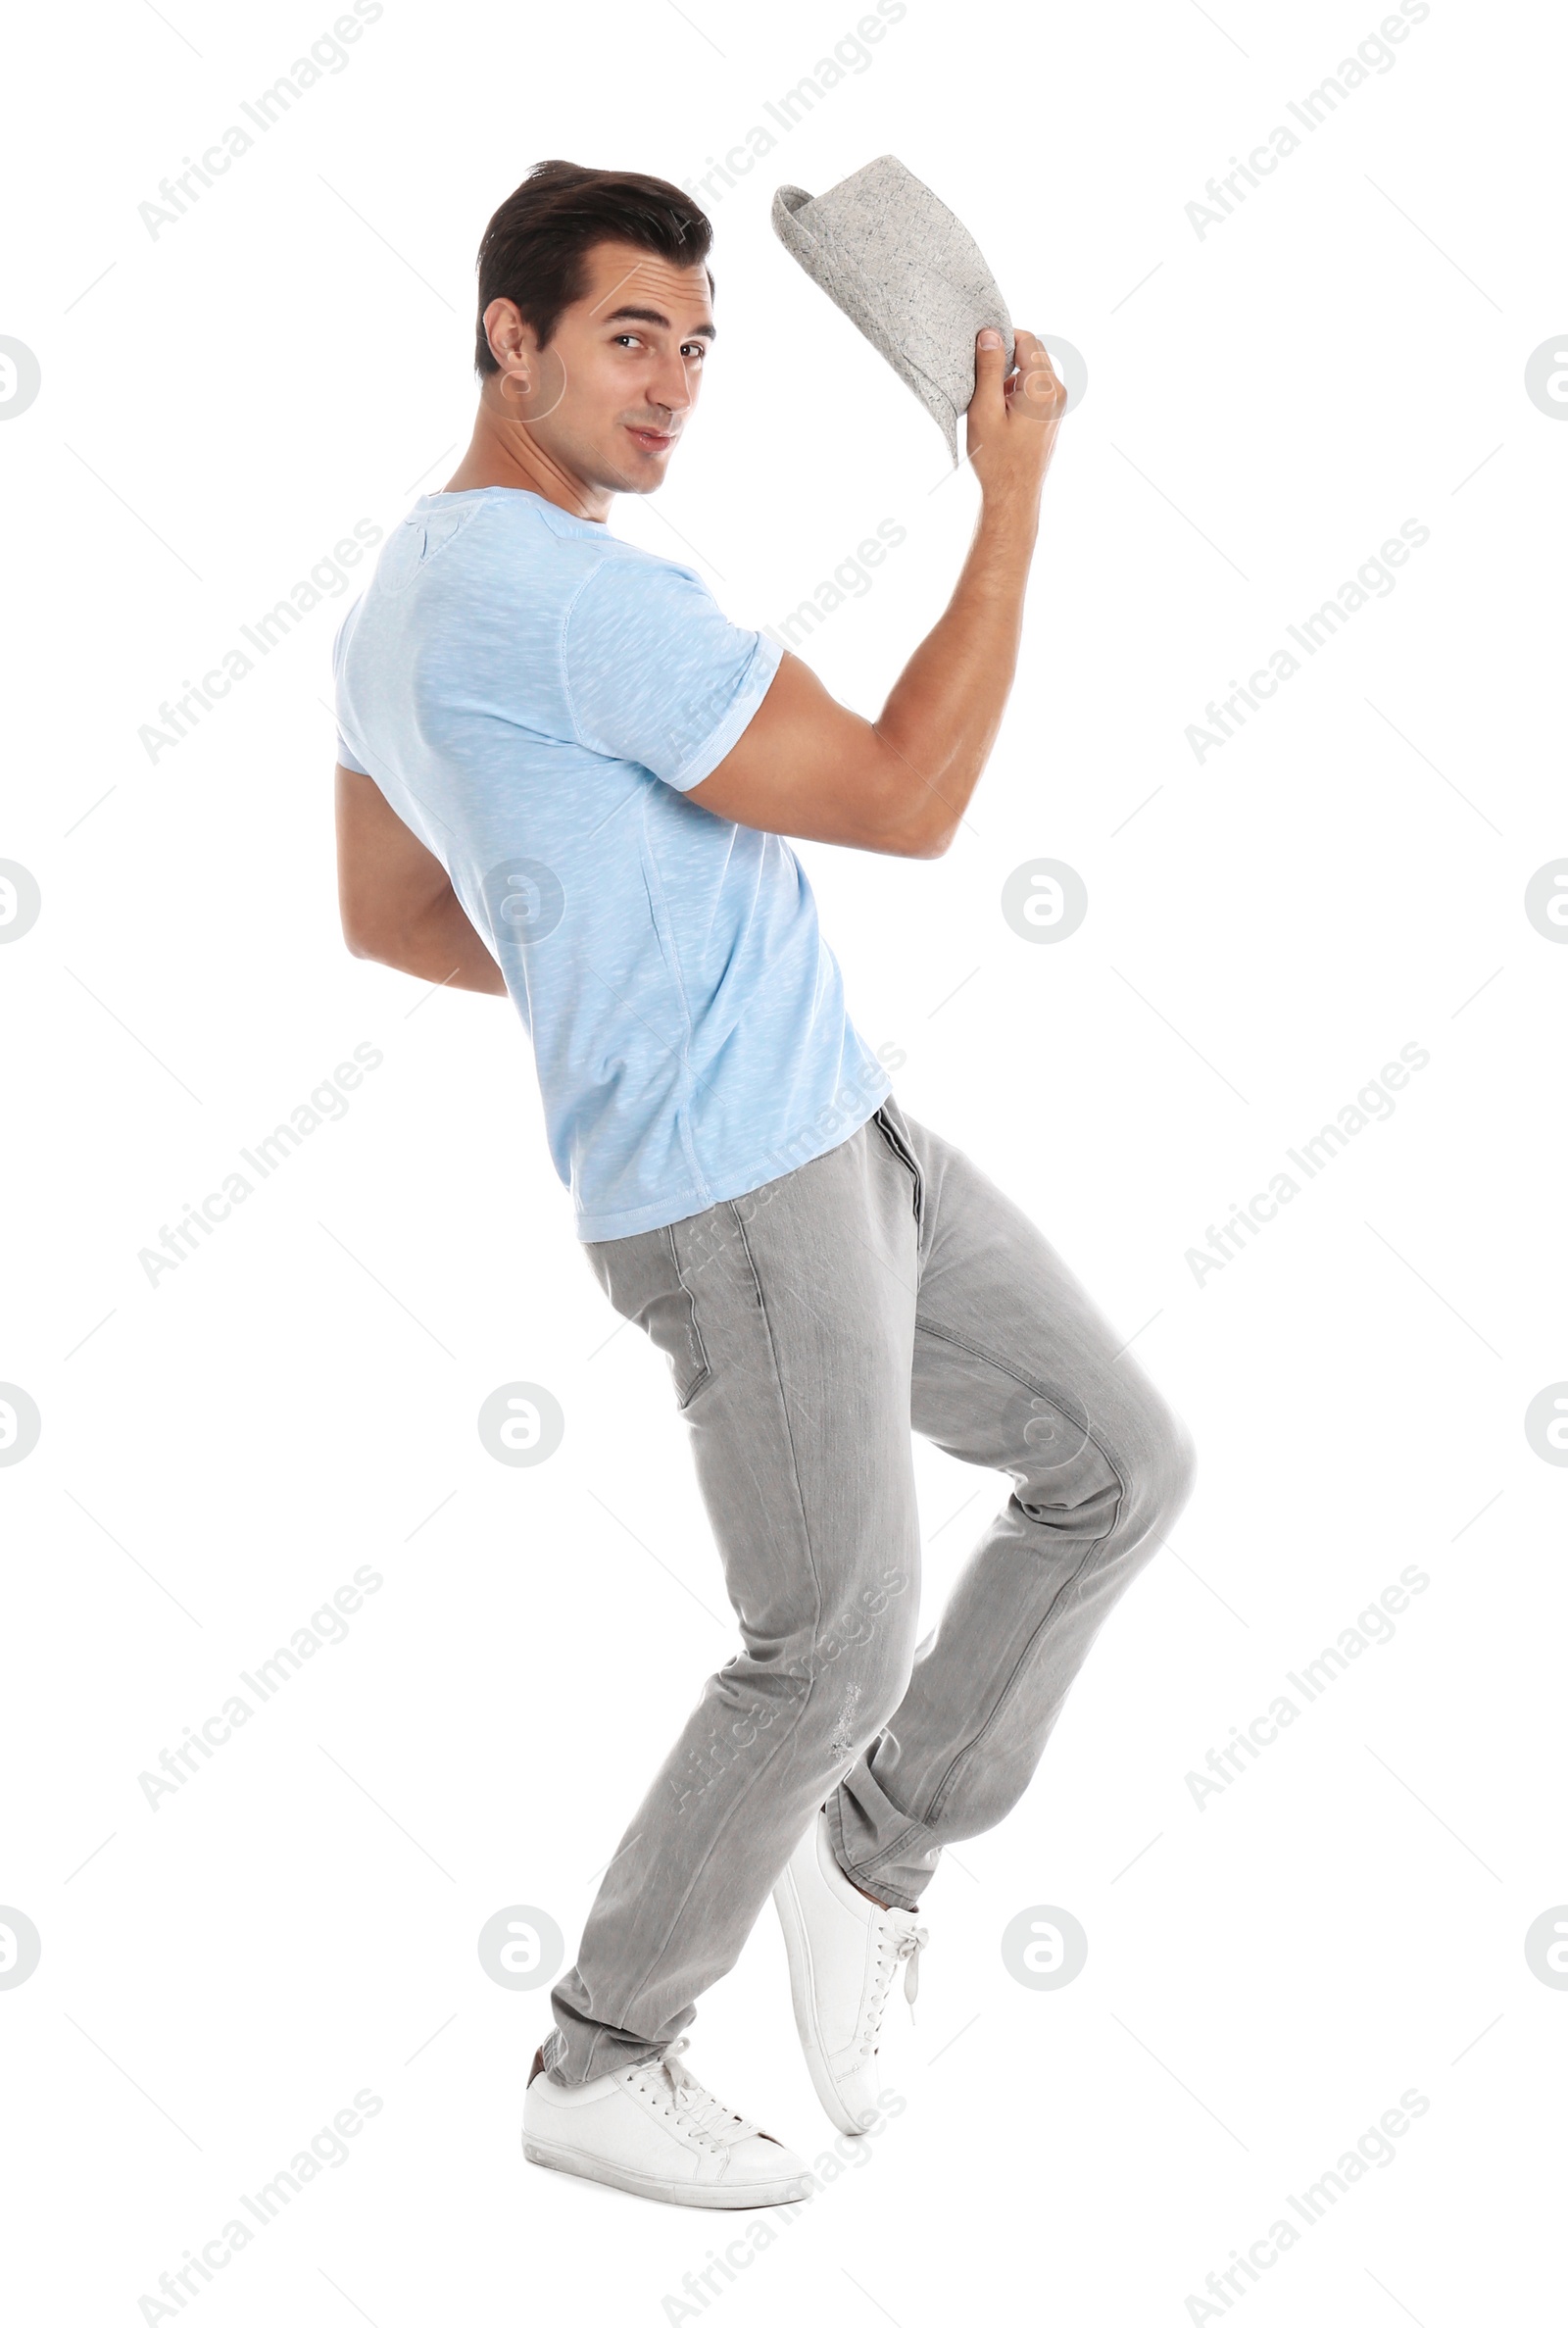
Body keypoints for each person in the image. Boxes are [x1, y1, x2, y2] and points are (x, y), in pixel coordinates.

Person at [333, 159, 1195, 2211]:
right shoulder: (572, 598)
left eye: (698, 346)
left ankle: (862, 1855)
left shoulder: (399, 597)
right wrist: (1006, 499)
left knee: (1117, 1463)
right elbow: (905, 795)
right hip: (735, 1192)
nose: (673, 385)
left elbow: (393, 913)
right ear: (505, 334)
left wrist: (606, 957)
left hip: (837, 1126)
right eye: (630, 335)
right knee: (823, 1647)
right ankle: (601, 2055)